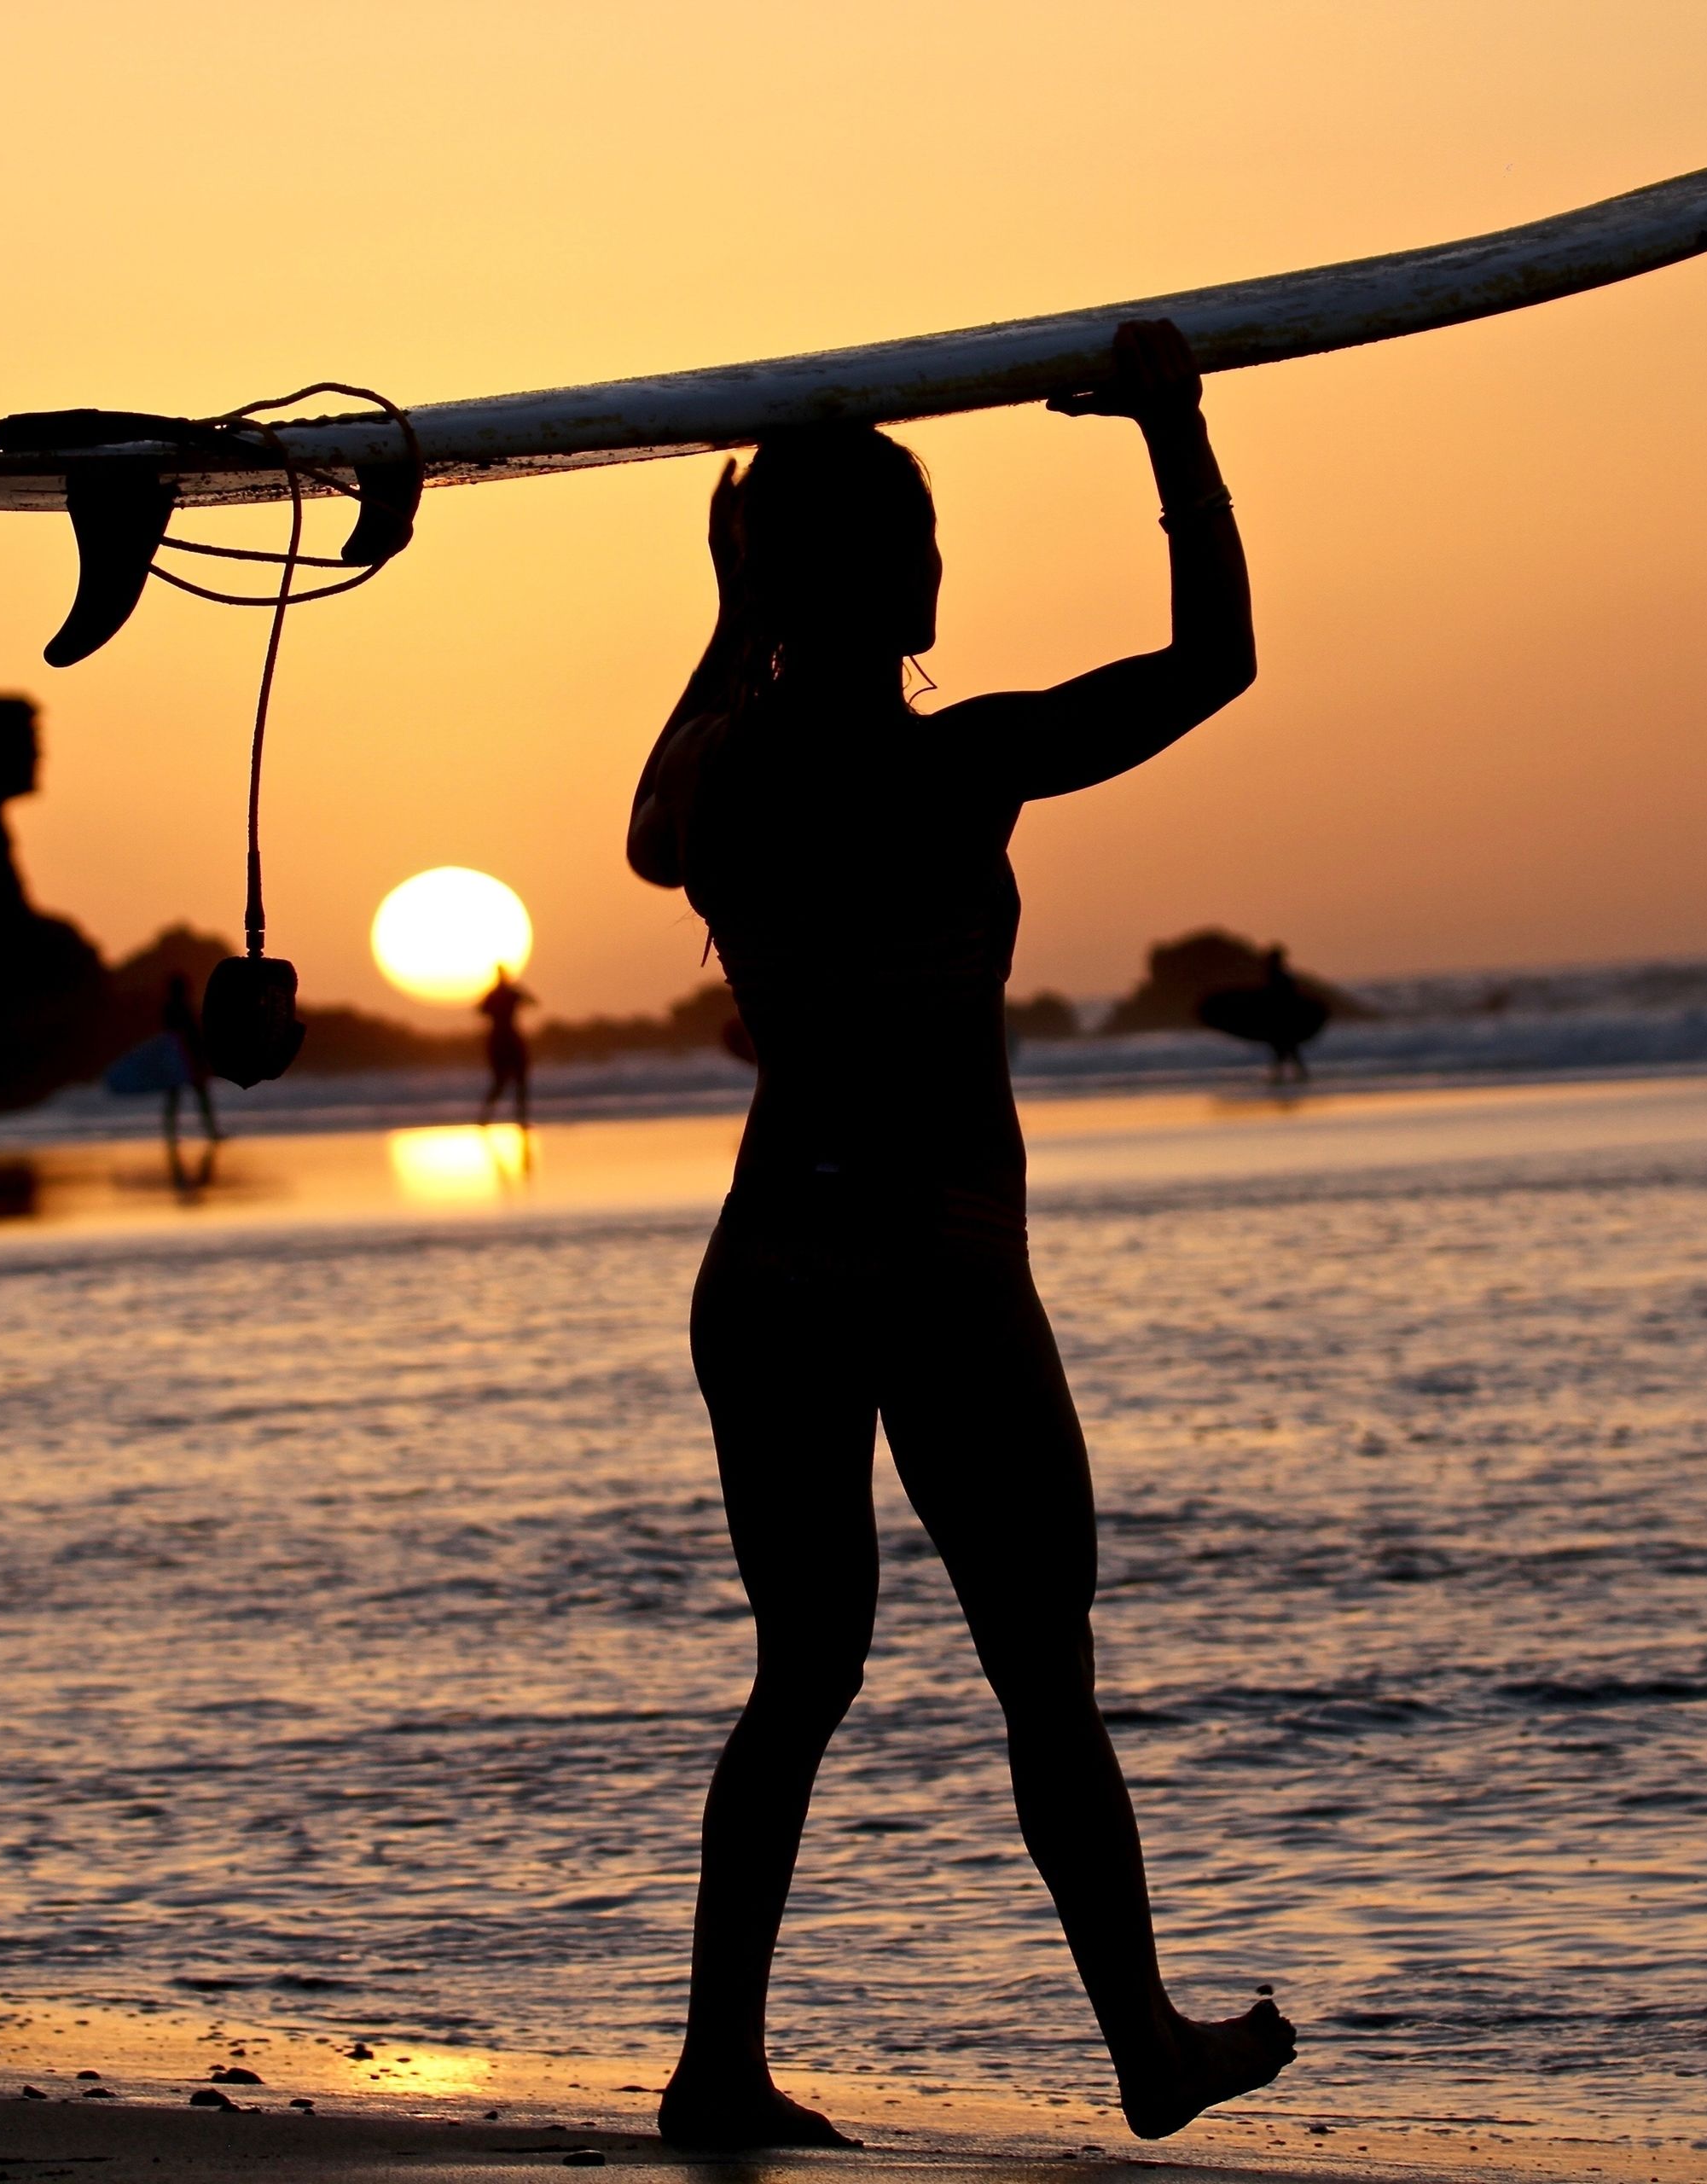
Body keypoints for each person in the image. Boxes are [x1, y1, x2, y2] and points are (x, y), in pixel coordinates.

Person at [624, 320, 1292, 2150]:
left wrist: (723, 606)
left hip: (768, 1270)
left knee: (804, 1671)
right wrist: (1173, 426)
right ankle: (1143, 2041)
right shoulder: (956, 764)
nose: (936, 573)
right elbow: (1216, 660)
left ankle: (714, 2060)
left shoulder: (730, 787)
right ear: (893, 581)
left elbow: (647, 831)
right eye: (918, 547)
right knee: (1039, 1673)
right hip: (931, 1264)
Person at [1197, 943, 1333, 1083]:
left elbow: (1281, 996)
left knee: (1285, 1047)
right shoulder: (1279, 975)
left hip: (1280, 1017)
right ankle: (1293, 1073)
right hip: (1280, 1017)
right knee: (1287, 1047)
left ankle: (1286, 1074)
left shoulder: (1277, 975)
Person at [159, 969, 220, 1158]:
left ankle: (171, 1134)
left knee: (176, 1098)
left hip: (178, 1060)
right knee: (198, 1097)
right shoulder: (182, 1009)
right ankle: (210, 1132)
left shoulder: (170, 1009)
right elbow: (191, 1036)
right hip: (188, 1059)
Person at [477, 966, 534, 1128]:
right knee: (507, 1082)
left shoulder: (500, 994)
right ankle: (488, 1118)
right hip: (505, 1039)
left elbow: (481, 1011)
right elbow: (532, 1002)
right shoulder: (507, 993)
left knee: (512, 1082)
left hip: (501, 1040)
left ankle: (514, 1119)